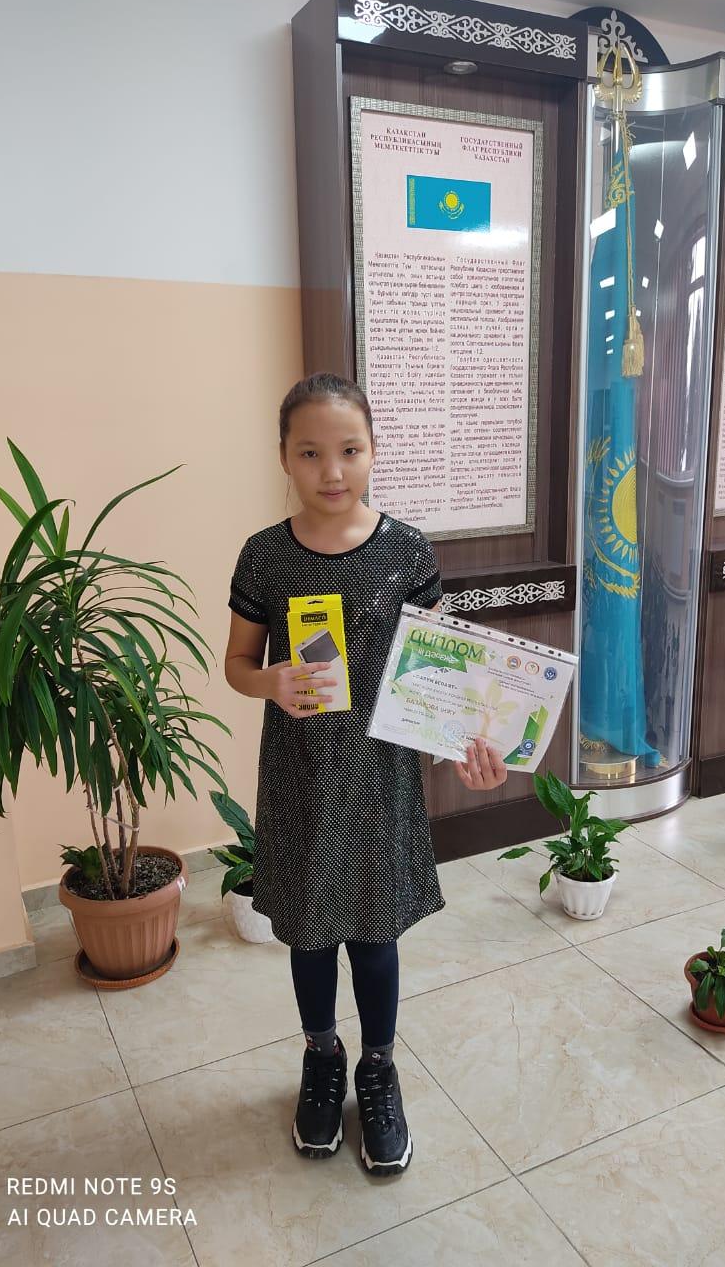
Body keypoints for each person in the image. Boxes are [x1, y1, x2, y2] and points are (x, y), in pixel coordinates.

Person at [224, 372, 508, 1177]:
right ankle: (323, 1056)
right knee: (311, 933)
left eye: (349, 450)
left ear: (374, 451)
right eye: (310, 453)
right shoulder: (265, 556)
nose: (332, 470)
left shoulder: (408, 551)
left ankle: (378, 1070)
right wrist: (270, 681)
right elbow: (237, 663)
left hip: (381, 776)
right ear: (284, 457)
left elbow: (442, 674)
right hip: (300, 776)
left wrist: (472, 746)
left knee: (375, 933)